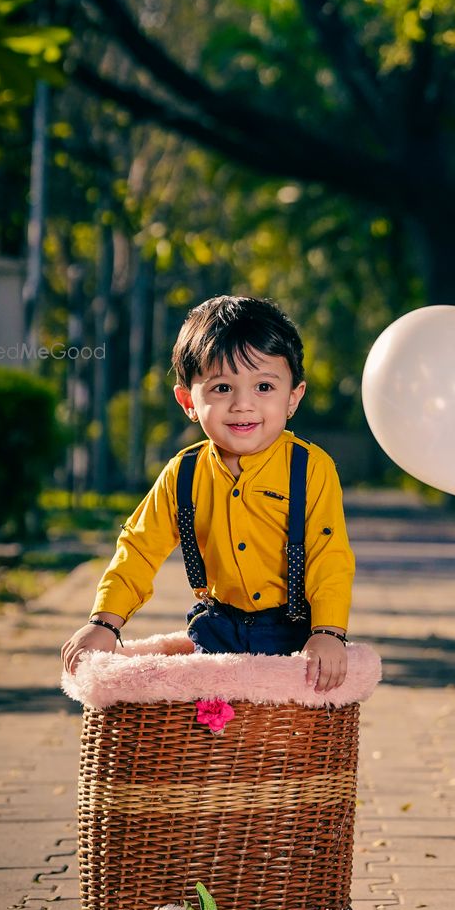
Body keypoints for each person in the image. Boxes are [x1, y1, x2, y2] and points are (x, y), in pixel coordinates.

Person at [61, 296, 354, 692]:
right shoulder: (182, 474)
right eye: (221, 387)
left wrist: (329, 633)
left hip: (293, 632)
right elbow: (140, 548)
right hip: (215, 628)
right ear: (188, 402)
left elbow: (328, 556)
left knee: (281, 738)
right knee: (211, 728)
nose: (242, 404)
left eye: (264, 386)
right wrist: (104, 622)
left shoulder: (310, 469)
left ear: (293, 398)